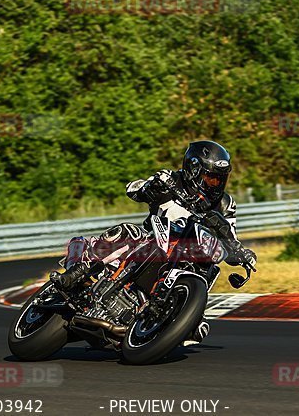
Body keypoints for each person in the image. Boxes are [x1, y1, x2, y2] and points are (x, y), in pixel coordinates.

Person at [49, 140, 257, 343]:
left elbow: (230, 235)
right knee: (125, 231)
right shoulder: (170, 178)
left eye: (220, 179)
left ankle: (180, 313)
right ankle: (77, 272)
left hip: (189, 254)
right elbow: (133, 189)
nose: (215, 183)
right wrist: (151, 187)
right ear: (193, 169)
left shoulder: (225, 203)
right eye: (210, 178)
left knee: (209, 270)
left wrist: (241, 253)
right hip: (153, 239)